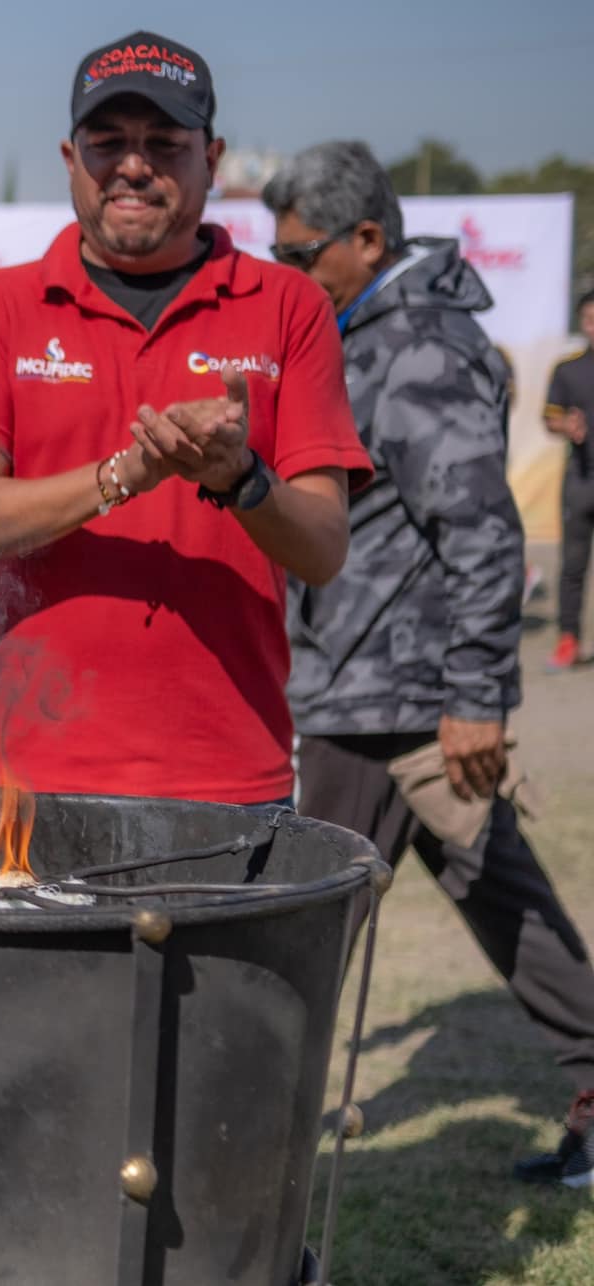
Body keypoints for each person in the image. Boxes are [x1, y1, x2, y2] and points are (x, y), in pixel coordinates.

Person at [0, 31, 371, 807]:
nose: (134, 165)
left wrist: (242, 479)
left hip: (235, 781)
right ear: (71, 159)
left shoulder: (289, 306)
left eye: (164, 141)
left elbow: (325, 549)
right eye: (109, 143)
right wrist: (128, 474)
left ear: (213, 157)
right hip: (42, 784)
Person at [264, 143, 594, 1189]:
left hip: (390, 699)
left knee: (289, 931)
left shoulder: (418, 348)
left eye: (299, 253)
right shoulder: (367, 331)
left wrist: (473, 699)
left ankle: (234, 1127)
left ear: (367, 239)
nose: (287, 275)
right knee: (497, 896)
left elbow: (482, 532)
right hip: (370, 686)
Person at [544, 289, 594, 672]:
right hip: (580, 480)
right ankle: (568, 640)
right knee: (572, 565)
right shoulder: (568, 369)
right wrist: (565, 424)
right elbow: (549, 417)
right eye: (590, 318)